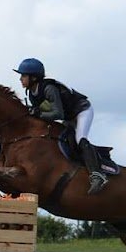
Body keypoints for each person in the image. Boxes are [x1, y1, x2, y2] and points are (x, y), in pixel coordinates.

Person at [14, 58, 108, 194]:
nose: (21, 79)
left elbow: (57, 113)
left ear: (33, 77)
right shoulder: (31, 93)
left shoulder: (48, 88)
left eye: (23, 75)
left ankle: (98, 175)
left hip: (81, 111)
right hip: (68, 116)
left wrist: (38, 114)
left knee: (80, 139)